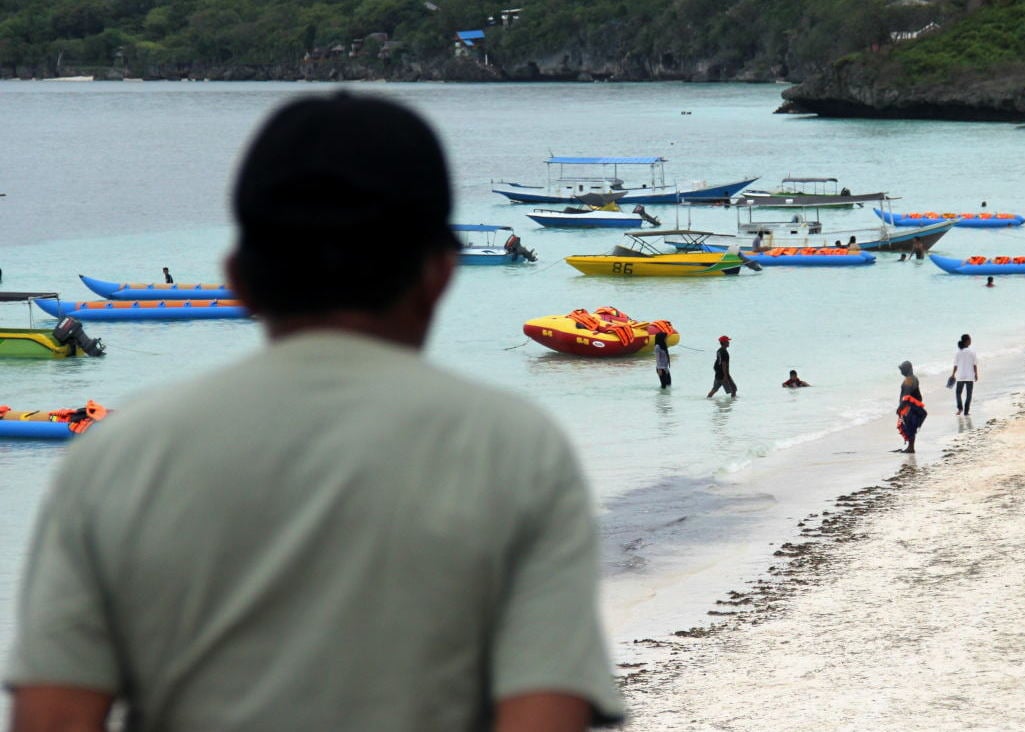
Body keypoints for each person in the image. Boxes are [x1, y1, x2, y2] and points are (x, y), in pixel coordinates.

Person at [3, 94, 624, 731]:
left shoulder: (120, 454)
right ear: (440, 273)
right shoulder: (516, 450)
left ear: (237, 277)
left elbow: (53, 716)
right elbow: (543, 713)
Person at [895, 361, 925, 453]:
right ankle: (910, 446)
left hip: (910, 407)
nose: (901, 372)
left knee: (910, 427)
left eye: (902, 369)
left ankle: (911, 448)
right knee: (911, 426)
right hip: (915, 405)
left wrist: (900, 408)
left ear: (907, 369)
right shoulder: (914, 378)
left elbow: (906, 397)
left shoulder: (908, 381)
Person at [950, 334, 978, 416]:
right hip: (970, 376)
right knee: (968, 395)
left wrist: (953, 374)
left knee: (958, 393)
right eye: (970, 339)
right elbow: (974, 365)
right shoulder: (972, 352)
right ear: (967, 341)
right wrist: (976, 374)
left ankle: (960, 408)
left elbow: (955, 365)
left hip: (960, 376)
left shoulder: (958, 352)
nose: (971, 341)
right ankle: (966, 412)